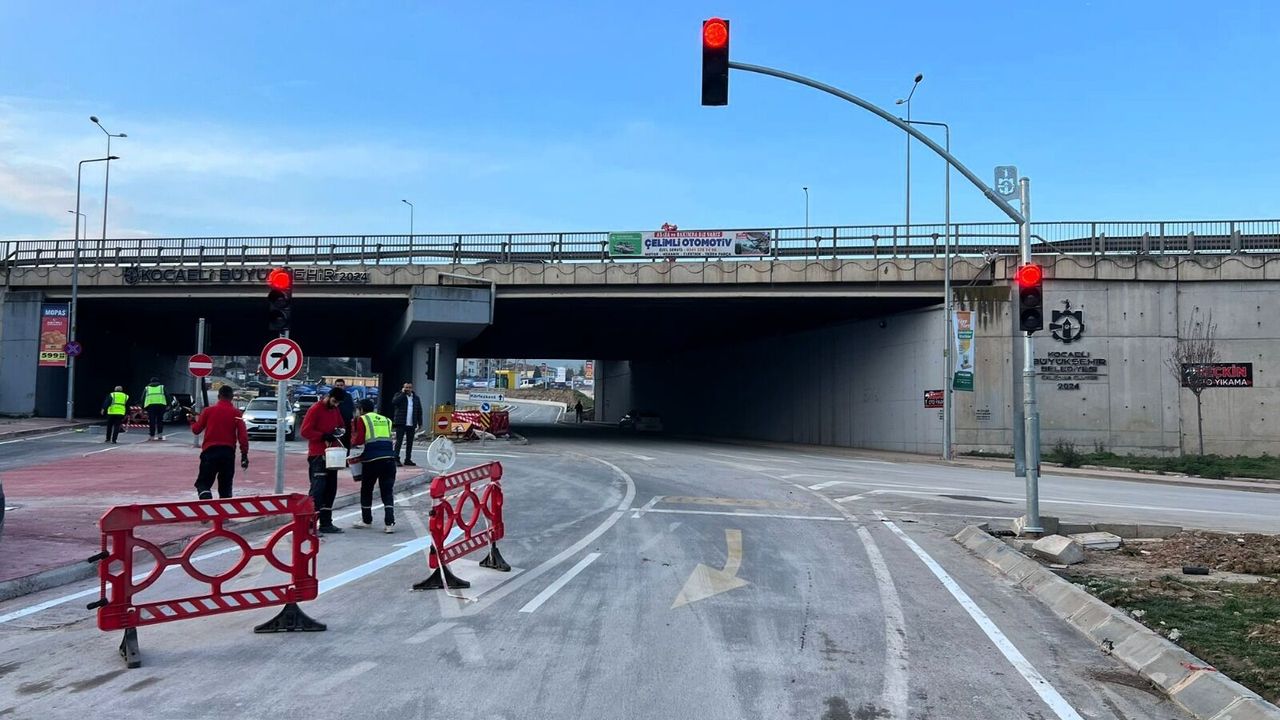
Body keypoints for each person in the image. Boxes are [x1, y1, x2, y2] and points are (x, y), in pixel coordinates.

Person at [188, 385, 249, 500]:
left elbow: (196, 430)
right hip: (228, 454)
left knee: (203, 483)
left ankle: (206, 503)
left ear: (218, 396)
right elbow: (243, 436)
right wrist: (244, 455)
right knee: (225, 487)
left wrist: (191, 421)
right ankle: (224, 514)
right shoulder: (236, 414)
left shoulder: (208, 411)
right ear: (231, 397)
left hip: (210, 452)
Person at [301, 387, 348, 534]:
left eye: (338, 403)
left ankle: (326, 523)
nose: (335, 405)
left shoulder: (334, 410)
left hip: (332, 456)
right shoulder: (315, 409)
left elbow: (341, 425)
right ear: (328, 396)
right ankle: (310, 524)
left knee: (330, 489)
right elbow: (305, 431)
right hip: (318, 455)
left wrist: (338, 432)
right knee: (318, 490)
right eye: (334, 401)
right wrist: (323, 436)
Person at [349, 398, 397, 533]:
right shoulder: (386, 420)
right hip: (389, 459)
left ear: (361, 409)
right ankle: (389, 523)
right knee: (387, 491)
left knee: (366, 489)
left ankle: (366, 520)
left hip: (372, 460)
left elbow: (358, 440)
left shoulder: (363, 419)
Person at [391, 381, 423, 466]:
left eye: (409, 387)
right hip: (401, 422)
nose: (408, 389)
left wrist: (420, 423)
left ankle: (408, 459)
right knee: (399, 441)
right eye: (406, 387)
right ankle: (396, 458)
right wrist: (402, 394)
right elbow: (394, 402)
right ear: (403, 388)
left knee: (410, 442)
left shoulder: (416, 398)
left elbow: (419, 411)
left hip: (411, 423)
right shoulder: (399, 396)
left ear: (412, 388)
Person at [332, 378, 355, 449]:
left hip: (346, 424)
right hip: (334, 424)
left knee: (346, 444)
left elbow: (351, 409)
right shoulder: (331, 396)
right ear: (334, 386)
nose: (339, 387)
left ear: (344, 386)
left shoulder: (348, 396)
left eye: (341, 385)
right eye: (337, 385)